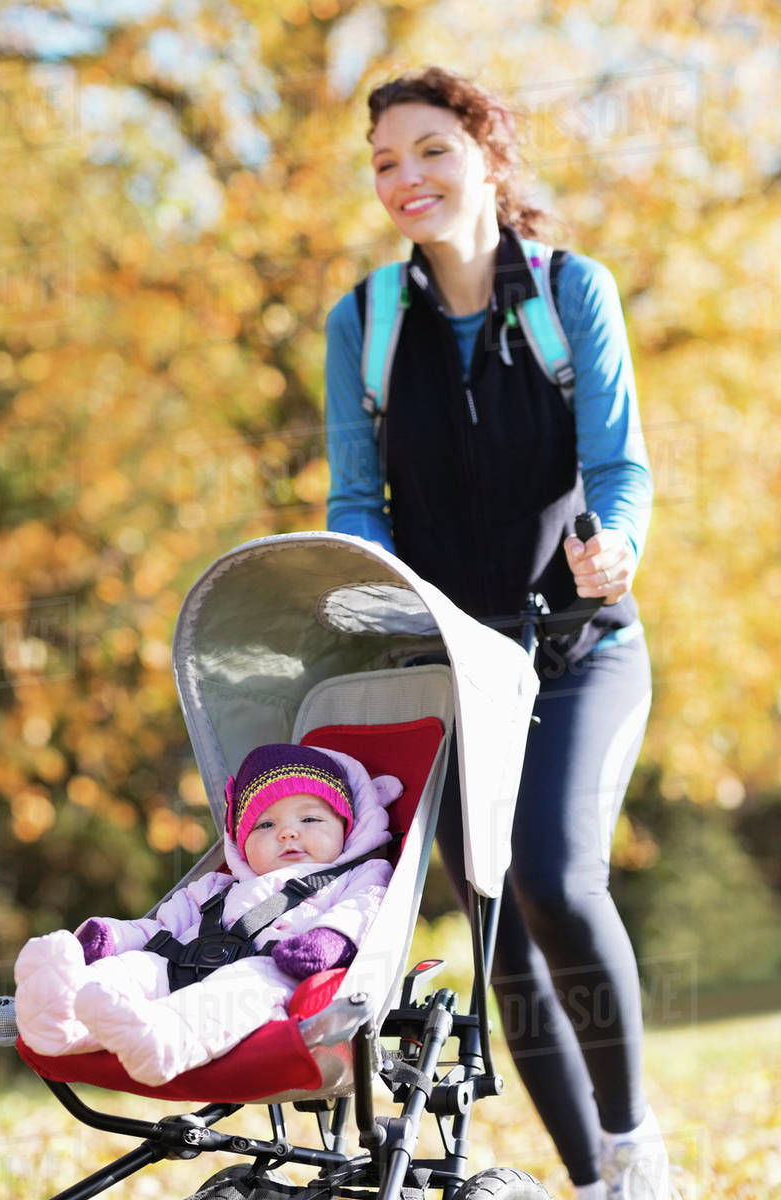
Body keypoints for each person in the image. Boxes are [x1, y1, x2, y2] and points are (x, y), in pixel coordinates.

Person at [324, 67, 669, 1200]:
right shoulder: (365, 323)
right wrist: (365, 596)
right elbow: (356, 499)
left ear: (483, 153)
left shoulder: (571, 293)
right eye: (383, 162)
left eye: (427, 150)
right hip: (454, 669)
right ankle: (589, 1186)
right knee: (498, 945)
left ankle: (632, 1152)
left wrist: (613, 540)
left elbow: (617, 464)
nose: (403, 178)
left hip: (581, 652)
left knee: (555, 880)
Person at [14, 743, 399, 1087]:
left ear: (347, 825)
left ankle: (163, 1042)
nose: (287, 833)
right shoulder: (216, 887)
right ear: (241, 842)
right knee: (135, 967)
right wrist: (114, 937)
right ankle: (58, 1017)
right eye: (266, 824)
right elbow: (163, 928)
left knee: (238, 989)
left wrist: (327, 939)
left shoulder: (357, 875)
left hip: (271, 973)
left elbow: (365, 909)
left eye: (310, 820)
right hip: (181, 965)